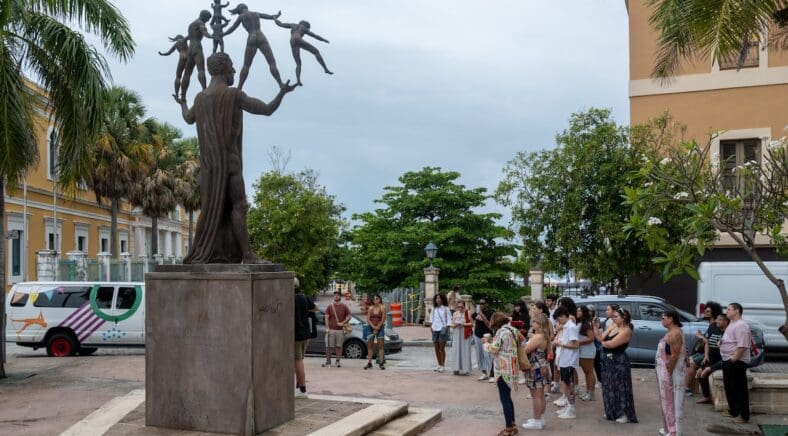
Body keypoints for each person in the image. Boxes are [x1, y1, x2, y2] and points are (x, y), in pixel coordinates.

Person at [175, 53, 296, 264]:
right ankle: (247, 254)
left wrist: (182, 102)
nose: (234, 71)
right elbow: (266, 109)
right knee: (239, 206)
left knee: (210, 209)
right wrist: (282, 93)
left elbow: (188, 117)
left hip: (209, 168)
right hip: (230, 164)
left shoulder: (200, 98)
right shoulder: (234, 94)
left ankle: (204, 251)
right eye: (231, 67)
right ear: (223, 68)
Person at [223, 3, 284, 89]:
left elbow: (232, 28)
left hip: (251, 37)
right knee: (272, 62)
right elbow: (270, 16)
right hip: (261, 36)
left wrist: (223, 34)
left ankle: (239, 87)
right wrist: (276, 15)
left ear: (240, 10)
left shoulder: (241, 16)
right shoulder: (256, 13)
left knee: (246, 65)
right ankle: (280, 84)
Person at [595, 306, 637, 424]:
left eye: (616, 317)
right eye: (613, 316)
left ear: (623, 318)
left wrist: (602, 343)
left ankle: (624, 413)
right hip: (607, 361)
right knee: (609, 386)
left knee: (620, 386)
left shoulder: (626, 330)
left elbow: (611, 344)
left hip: (618, 361)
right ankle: (612, 410)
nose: (613, 319)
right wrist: (595, 327)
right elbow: (600, 337)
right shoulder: (613, 326)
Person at [484, 312, 521, 436]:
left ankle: (509, 428)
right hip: (512, 367)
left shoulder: (501, 332)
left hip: (503, 369)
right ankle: (513, 424)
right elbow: (521, 342)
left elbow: (494, 349)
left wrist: (486, 343)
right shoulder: (513, 330)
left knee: (504, 398)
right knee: (508, 397)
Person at [273, 18, 333, 86]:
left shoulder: (293, 25)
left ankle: (298, 80)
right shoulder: (303, 27)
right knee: (316, 52)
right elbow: (315, 36)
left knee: (298, 63)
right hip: (298, 39)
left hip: (292, 41)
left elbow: (280, 24)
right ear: (306, 25)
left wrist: (274, 18)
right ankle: (325, 69)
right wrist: (324, 40)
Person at [719, 302, 751, 423]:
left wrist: (733, 359)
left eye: (729, 309)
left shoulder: (741, 325)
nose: (726, 311)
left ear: (736, 311)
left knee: (739, 389)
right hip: (728, 360)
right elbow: (731, 339)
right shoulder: (732, 323)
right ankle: (734, 410)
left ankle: (743, 415)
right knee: (730, 387)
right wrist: (721, 342)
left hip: (737, 361)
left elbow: (742, 346)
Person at [656, 309, 686, 436]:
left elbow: (674, 356)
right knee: (667, 400)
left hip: (671, 373)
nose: (661, 321)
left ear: (671, 319)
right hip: (666, 371)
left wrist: (668, 373)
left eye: (663, 318)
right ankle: (669, 428)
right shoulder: (671, 332)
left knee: (671, 401)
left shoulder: (675, 334)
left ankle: (674, 431)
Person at [521, 313, 553, 430]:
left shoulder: (538, 336)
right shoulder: (544, 335)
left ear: (539, 324)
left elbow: (525, 350)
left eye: (534, 322)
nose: (532, 323)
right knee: (540, 394)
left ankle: (536, 420)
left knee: (536, 396)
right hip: (542, 365)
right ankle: (540, 418)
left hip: (535, 367)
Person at [686, 301, 723, 398]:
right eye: (705, 311)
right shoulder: (711, 326)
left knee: (691, 362)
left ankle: (687, 388)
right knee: (689, 360)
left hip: (713, 355)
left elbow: (712, 343)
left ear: (713, 313)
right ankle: (691, 388)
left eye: (708, 311)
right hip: (707, 353)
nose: (704, 313)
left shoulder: (715, 327)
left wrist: (701, 337)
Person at [552, 307, 579, 419]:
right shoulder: (566, 327)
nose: (558, 322)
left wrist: (561, 344)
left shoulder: (571, 327)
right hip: (564, 359)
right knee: (565, 383)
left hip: (569, 360)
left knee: (569, 384)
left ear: (564, 316)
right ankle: (568, 406)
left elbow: (575, 344)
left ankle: (571, 408)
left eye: (559, 319)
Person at [697, 313, 729, 404]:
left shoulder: (728, 332)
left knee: (705, 372)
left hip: (722, 359)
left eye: (719, 320)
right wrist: (706, 356)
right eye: (717, 319)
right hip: (711, 356)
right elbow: (707, 342)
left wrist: (709, 368)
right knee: (699, 373)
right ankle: (706, 396)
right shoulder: (713, 328)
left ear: (726, 322)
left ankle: (709, 396)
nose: (717, 321)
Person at [294, 278, 316, 399]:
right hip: (306, 333)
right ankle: (298, 387)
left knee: (297, 361)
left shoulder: (291, 299)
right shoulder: (304, 297)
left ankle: (302, 389)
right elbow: (315, 308)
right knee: (299, 360)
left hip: (296, 334)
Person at [323, 291, 351, 368]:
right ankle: (328, 361)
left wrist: (342, 323)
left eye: (338, 295)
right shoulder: (329, 306)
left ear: (340, 297)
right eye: (335, 295)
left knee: (339, 346)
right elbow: (326, 317)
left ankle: (338, 361)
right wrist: (327, 327)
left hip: (340, 330)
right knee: (329, 346)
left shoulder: (344, 306)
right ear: (333, 296)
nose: (336, 296)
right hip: (331, 329)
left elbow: (349, 317)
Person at [576, 305, 597, 401]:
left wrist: (579, 342)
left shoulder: (587, 323)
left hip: (587, 350)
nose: (578, 312)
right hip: (582, 350)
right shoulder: (580, 322)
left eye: (580, 311)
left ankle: (591, 393)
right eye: (577, 311)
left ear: (584, 312)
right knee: (586, 372)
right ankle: (588, 391)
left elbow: (591, 338)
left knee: (589, 372)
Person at [472, 298, 495, 382]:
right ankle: (484, 373)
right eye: (480, 303)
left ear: (487, 304)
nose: (481, 305)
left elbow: (490, 325)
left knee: (488, 355)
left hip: (487, 336)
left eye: (483, 303)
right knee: (480, 355)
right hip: (477, 335)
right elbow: (473, 320)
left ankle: (492, 374)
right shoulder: (477, 312)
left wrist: (483, 316)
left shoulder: (491, 313)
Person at [450, 300, 473, 375]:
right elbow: (452, 324)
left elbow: (471, 323)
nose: (460, 308)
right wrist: (455, 325)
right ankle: (456, 368)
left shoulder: (467, 312)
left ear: (464, 306)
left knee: (465, 350)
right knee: (456, 350)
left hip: (464, 333)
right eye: (458, 307)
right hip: (457, 333)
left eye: (461, 307)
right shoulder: (455, 313)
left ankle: (466, 368)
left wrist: (463, 324)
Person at [364, 294, 386, 370]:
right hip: (371, 328)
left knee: (380, 345)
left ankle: (381, 363)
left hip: (380, 328)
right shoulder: (370, 308)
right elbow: (368, 319)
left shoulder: (382, 307)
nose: (375, 300)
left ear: (380, 299)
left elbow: (383, 319)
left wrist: (377, 328)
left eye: (377, 298)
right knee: (370, 345)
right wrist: (374, 327)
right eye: (374, 299)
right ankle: (369, 363)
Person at [430, 294, 451, 372]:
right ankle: (439, 364)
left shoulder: (446, 309)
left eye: (439, 298)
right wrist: (431, 327)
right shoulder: (433, 308)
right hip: (435, 329)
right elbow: (431, 319)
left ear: (442, 299)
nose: (438, 300)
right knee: (436, 348)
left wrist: (446, 327)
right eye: (436, 298)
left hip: (442, 329)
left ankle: (442, 365)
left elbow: (449, 319)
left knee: (441, 348)